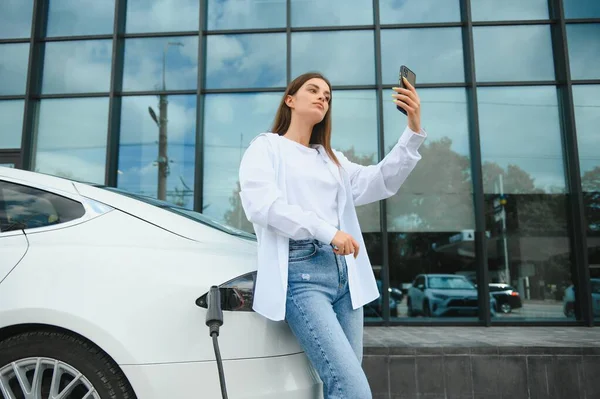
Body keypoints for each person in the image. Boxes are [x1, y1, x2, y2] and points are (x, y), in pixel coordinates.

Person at [238, 72, 426, 399]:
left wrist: (412, 130)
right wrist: (328, 231)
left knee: (342, 388)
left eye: (327, 95)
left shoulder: (331, 159)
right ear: (290, 99)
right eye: (313, 90)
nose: (322, 97)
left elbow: (382, 180)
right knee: (353, 390)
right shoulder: (266, 147)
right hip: (302, 275)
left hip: (345, 278)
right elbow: (263, 206)